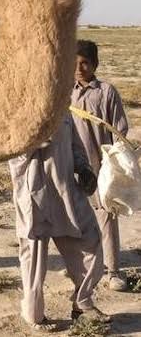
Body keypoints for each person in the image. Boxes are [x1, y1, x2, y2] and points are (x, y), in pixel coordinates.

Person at [9, 113, 109, 331]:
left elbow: (75, 145)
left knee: (90, 241)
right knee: (34, 256)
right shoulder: (18, 108)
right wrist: (34, 140)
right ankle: (34, 315)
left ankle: (82, 303)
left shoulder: (63, 109)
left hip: (66, 192)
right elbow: (9, 149)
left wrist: (83, 168)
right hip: (34, 192)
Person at [71, 39, 129, 291]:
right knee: (75, 219)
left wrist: (116, 162)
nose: (80, 68)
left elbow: (119, 129)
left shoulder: (107, 92)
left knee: (106, 218)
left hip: (102, 166)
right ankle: (82, 267)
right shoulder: (65, 91)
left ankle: (112, 270)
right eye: (75, 63)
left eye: (85, 62)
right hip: (73, 167)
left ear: (94, 64)